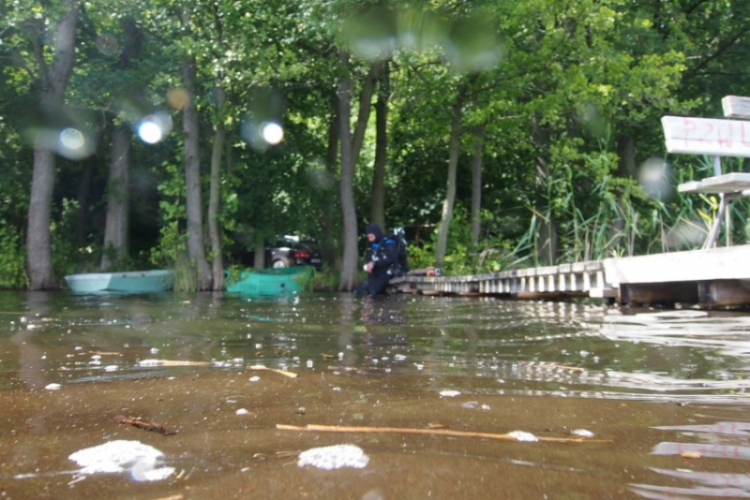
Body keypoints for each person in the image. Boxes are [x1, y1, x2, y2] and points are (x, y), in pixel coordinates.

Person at [355, 222, 399, 296]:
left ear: (376, 233)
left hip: (387, 274)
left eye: (371, 237)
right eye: (368, 237)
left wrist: (375, 263)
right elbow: (368, 258)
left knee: (372, 292)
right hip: (375, 275)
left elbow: (389, 259)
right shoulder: (372, 246)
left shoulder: (389, 243)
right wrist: (367, 265)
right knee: (359, 291)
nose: (370, 240)